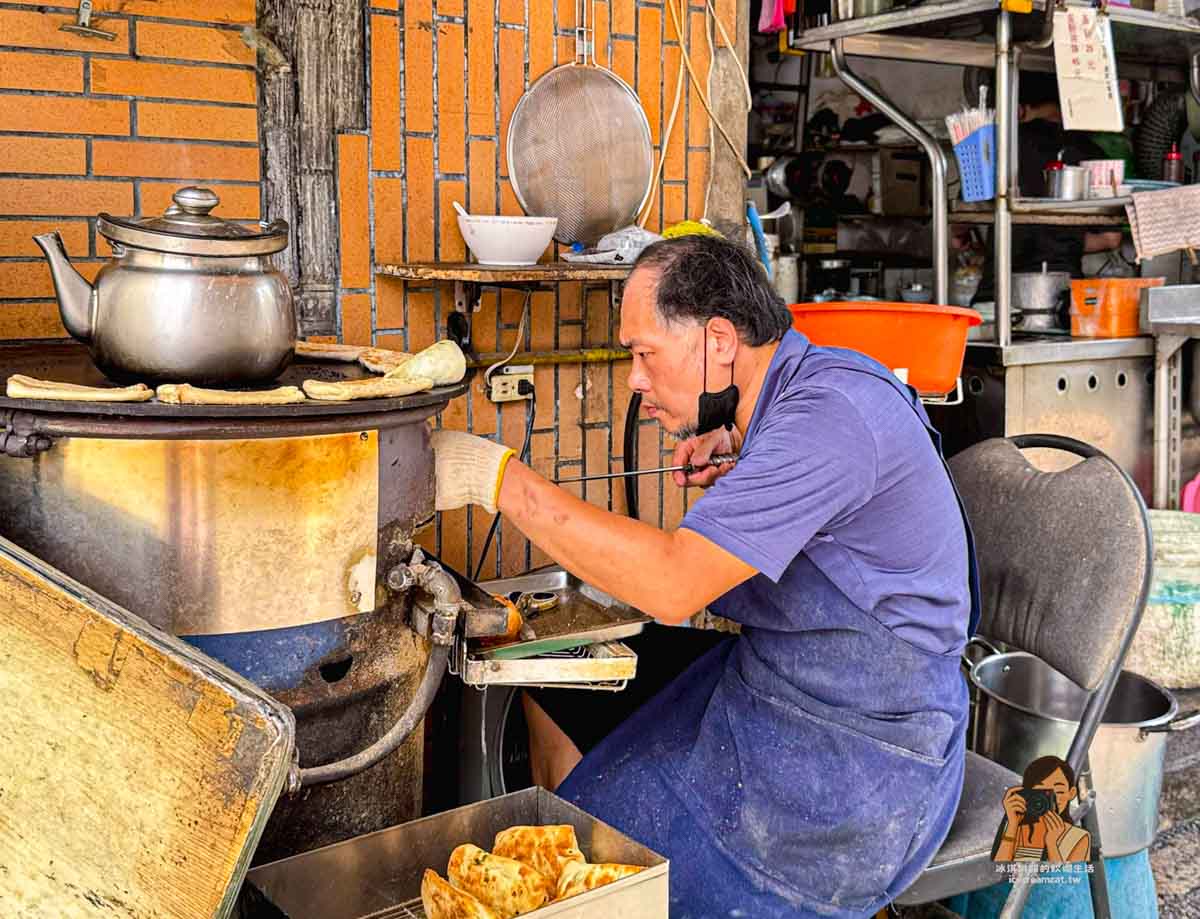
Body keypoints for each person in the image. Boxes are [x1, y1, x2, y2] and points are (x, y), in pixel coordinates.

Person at [430, 235, 980, 917]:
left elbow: (672, 586)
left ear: (719, 340)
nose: (634, 378)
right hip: (780, 678)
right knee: (558, 678)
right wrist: (747, 453)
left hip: (861, 755)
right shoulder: (788, 402)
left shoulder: (828, 419)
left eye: (644, 354)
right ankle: (587, 845)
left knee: (605, 880)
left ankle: (606, 871)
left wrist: (500, 481)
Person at [973, 71, 1124, 304]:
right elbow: (1111, 239)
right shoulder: (1092, 157)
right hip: (1057, 296)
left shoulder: (996, 145)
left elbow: (962, 222)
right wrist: (1062, 241)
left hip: (994, 295)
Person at [992, 755, 1092, 863]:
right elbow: (997, 869)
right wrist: (1012, 824)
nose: (1052, 800)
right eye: (1043, 793)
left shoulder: (1077, 838)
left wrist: (1052, 844)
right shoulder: (1016, 829)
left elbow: (1063, 878)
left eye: (1059, 791)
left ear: (1071, 793)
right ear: (1028, 794)